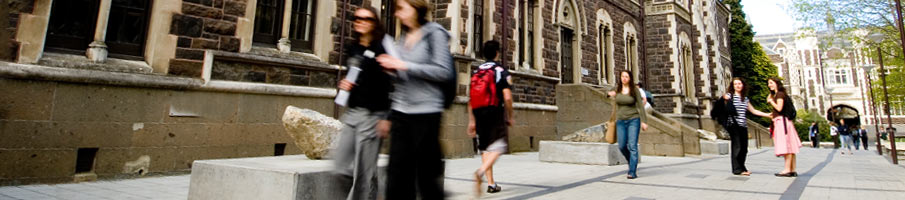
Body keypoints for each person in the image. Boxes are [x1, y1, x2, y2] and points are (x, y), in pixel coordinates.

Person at [377, 0, 454, 199]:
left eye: (402, 9)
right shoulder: (403, 37)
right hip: (401, 113)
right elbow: (403, 78)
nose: (397, 14)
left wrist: (404, 65)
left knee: (426, 179)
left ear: (416, 8)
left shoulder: (435, 33)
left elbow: (444, 71)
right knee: (396, 178)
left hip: (426, 114)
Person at [332, 7, 392, 200]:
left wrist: (386, 118)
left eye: (366, 18)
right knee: (339, 168)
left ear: (374, 23)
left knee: (363, 173)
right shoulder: (353, 47)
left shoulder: (382, 48)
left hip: (373, 116)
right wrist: (344, 84)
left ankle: (366, 194)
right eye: (356, 18)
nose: (360, 21)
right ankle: (372, 194)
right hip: (352, 113)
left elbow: (393, 85)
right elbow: (353, 75)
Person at [468, 40, 514, 196]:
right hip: (494, 111)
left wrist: (472, 121)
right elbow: (507, 97)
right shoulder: (500, 70)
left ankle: (491, 184)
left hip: (478, 111)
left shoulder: (477, 70)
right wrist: (510, 115)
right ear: (497, 53)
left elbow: (471, 98)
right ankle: (480, 172)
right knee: (500, 146)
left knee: (486, 149)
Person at [720, 78, 772, 176]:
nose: (738, 85)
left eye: (739, 84)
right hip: (733, 125)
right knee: (737, 146)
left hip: (743, 125)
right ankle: (737, 169)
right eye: (735, 84)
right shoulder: (730, 96)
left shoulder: (745, 99)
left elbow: (754, 111)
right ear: (733, 86)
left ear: (743, 85)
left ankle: (742, 167)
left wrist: (767, 115)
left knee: (744, 148)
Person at [607, 70, 648, 179]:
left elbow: (640, 106)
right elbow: (606, 95)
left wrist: (644, 121)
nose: (624, 78)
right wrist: (609, 94)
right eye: (622, 76)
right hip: (620, 121)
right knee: (621, 146)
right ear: (620, 78)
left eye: (626, 76)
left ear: (630, 78)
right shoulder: (617, 89)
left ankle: (632, 171)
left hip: (633, 120)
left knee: (632, 146)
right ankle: (632, 161)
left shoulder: (635, 90)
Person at [757, 77, 801, 177]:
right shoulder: (780, 94)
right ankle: (792, 169)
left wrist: (770, 101)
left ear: (777, 83)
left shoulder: (780, 94)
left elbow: (779, 108)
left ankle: (787, 170)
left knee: (786, 146)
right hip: (784, 122)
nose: (769, 85)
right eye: (768, 83)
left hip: (782, 123)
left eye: (771, 83)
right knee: (790, 146)